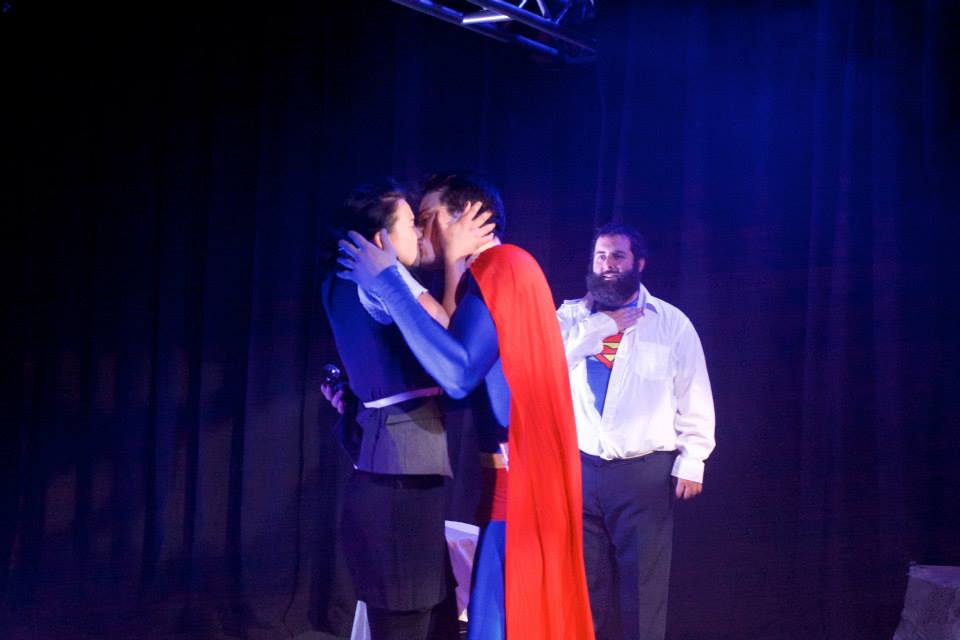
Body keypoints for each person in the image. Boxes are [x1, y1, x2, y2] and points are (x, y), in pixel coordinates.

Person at [336, 173, 594, 640]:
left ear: (467, 215)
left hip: (520, 492)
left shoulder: (505, 266)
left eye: (427, 218)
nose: (419, 232)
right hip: (504, 488)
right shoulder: (491, 273)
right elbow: (458, 364)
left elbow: (457, 375)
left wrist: (389, 282)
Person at [319, 178, 473, 640]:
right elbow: (449, 338)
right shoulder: (386, 277)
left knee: (418, 615)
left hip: (384, 476)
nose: (420, 233)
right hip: (401, 482)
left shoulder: (336, 283)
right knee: (409, 617)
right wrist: (453, 262)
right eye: (410, 224)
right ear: (380, 240)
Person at [556, 222, 716, 640]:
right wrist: (599, 328)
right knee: (583, 589)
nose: (607, 264)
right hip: (580, 469)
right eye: (600, 256)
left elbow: (694, 391)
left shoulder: (670, 323)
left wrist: (693, 459)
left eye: (618, 256)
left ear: (638, 263)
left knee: (643, 592)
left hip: (643, 475)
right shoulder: (568, 318)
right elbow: (543, 372)